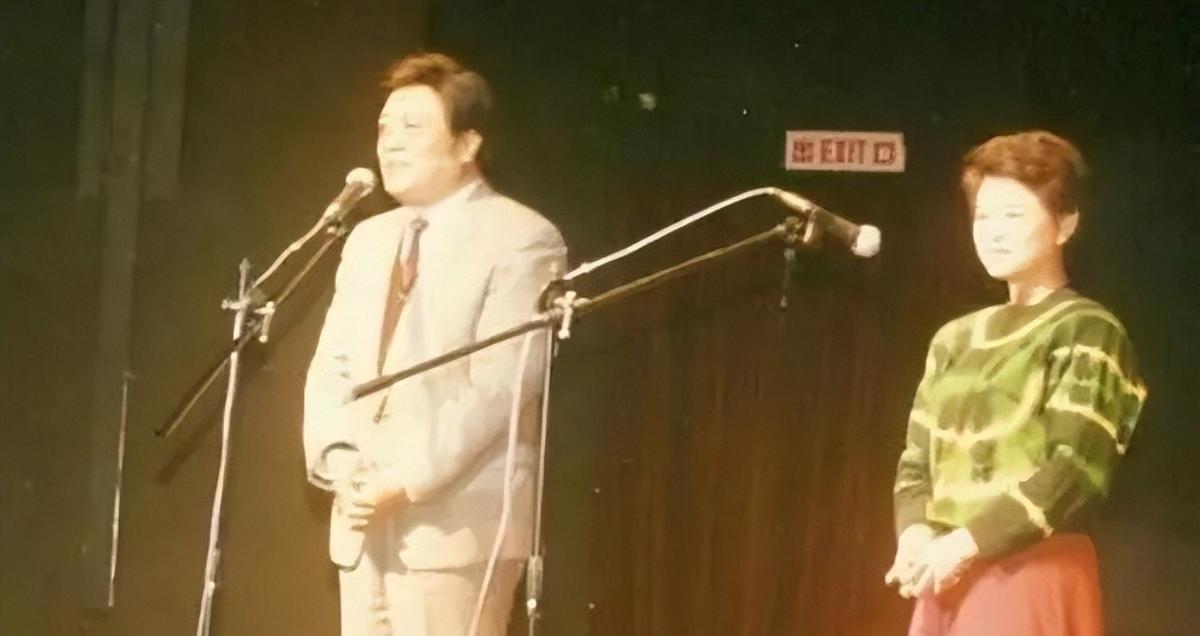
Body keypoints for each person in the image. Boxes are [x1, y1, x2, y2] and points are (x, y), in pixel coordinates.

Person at [303, 52, 567, 636]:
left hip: (455, 529)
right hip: (361, 519)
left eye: (412, 127)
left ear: (467, 143)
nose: (390, 143)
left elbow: (501, 385)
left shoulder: (523, 238)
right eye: (383, 128)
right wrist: (340, 463)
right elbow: (332, 366)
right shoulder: (369, 239)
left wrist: (404, 479)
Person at [885, 130, 1147, 635]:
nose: (993, 233)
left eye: (1013, 215)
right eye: (983, 217)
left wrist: (968, 543)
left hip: (1030, 569)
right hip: (946, 573)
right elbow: (916, 461)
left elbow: (1072, 470)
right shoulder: (954, 339)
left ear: (1064, 224)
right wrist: (914, 534)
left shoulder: (1087, 329)